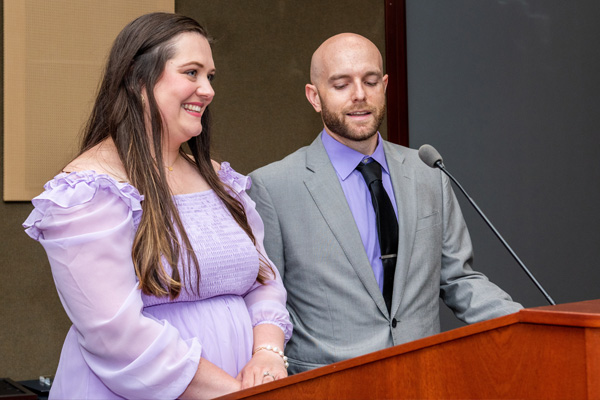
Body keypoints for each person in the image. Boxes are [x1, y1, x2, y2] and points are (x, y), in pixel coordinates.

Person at [23, 12, 291, 399]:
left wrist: (268, 352)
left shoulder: (221, 180)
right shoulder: (90, 189)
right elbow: (116, 335)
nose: (208, 90)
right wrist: (231, 393)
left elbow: (263, 279)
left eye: (210, 76)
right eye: (192, 72)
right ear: (136, 78)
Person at [247, 33, 523, 375]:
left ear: (385, 85)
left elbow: (459, 280)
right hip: (329, 384)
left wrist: (529, 324)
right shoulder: (272, 186)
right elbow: (266, 300)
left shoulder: (428, 173)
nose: (360, 95)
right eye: (341, 84)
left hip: (423, 378)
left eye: (370, 81)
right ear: (314, 97)